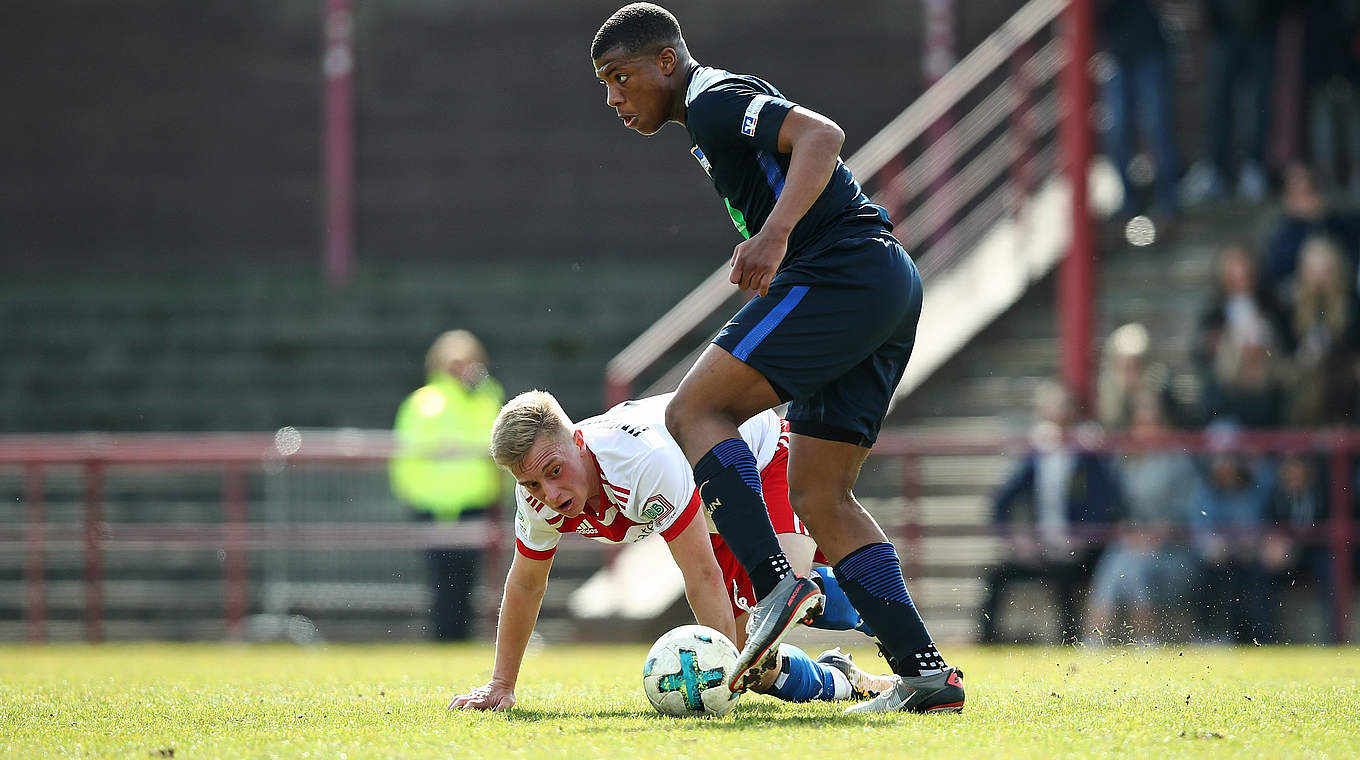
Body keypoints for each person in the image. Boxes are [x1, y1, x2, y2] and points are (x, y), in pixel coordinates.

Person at [588, 3, 963, 714]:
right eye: (605, 84)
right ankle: (926, 676)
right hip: (879, 282)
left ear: (665, 61)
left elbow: (823, 135)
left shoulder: (712, 101)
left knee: (694, 410)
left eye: (620, 77)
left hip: (843, 272)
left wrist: (778, 234)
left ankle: (773, 586)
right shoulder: (707, 116)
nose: (614, 97)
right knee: (821, 496)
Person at [449, 391, 894, 712]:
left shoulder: (640, 460)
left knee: (779, 602)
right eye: (531, 483)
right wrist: (501, 684)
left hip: (756, 460)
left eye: (554, 470)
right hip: (707, 504)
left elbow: (700, 574)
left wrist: (723, 687)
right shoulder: (534, 496)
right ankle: (844, 682)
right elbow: (526, 582)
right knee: (752, 659)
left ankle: (897, 625)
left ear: (578, 442)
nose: (547, 492)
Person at [978, 382, 1117, 645]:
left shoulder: (1088, 452)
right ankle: (987, 642)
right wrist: (1018, 539)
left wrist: (1082, 538)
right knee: (997, 577)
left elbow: (1104, 503)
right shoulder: (1037, 453)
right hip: (1043, 548)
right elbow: (1001, 501)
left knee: (1065, 579)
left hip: (1080, 550)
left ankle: (1069, 643)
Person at [390, 330, 504, 641]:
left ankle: (461, 639)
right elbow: (406, 456)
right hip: (434, 507)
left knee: (469, 580)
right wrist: (417, 496)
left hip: (475, 502)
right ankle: (443, 638)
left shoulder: (485, 398)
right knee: (441, 580)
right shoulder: (425, 402)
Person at [1084, 392, 1199, 645]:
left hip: (1175, 551)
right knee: (1112, 566)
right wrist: (1128, 533)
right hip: (1131, 545)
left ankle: (1146, 639)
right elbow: (1115, 510)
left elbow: (1189, 510)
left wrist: (1159, 535)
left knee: (1136, 570)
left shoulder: (1179, 461)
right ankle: (1094, 640)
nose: (1148, 430)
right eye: (1142, 423)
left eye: (1153, 422)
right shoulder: (1124, 462)